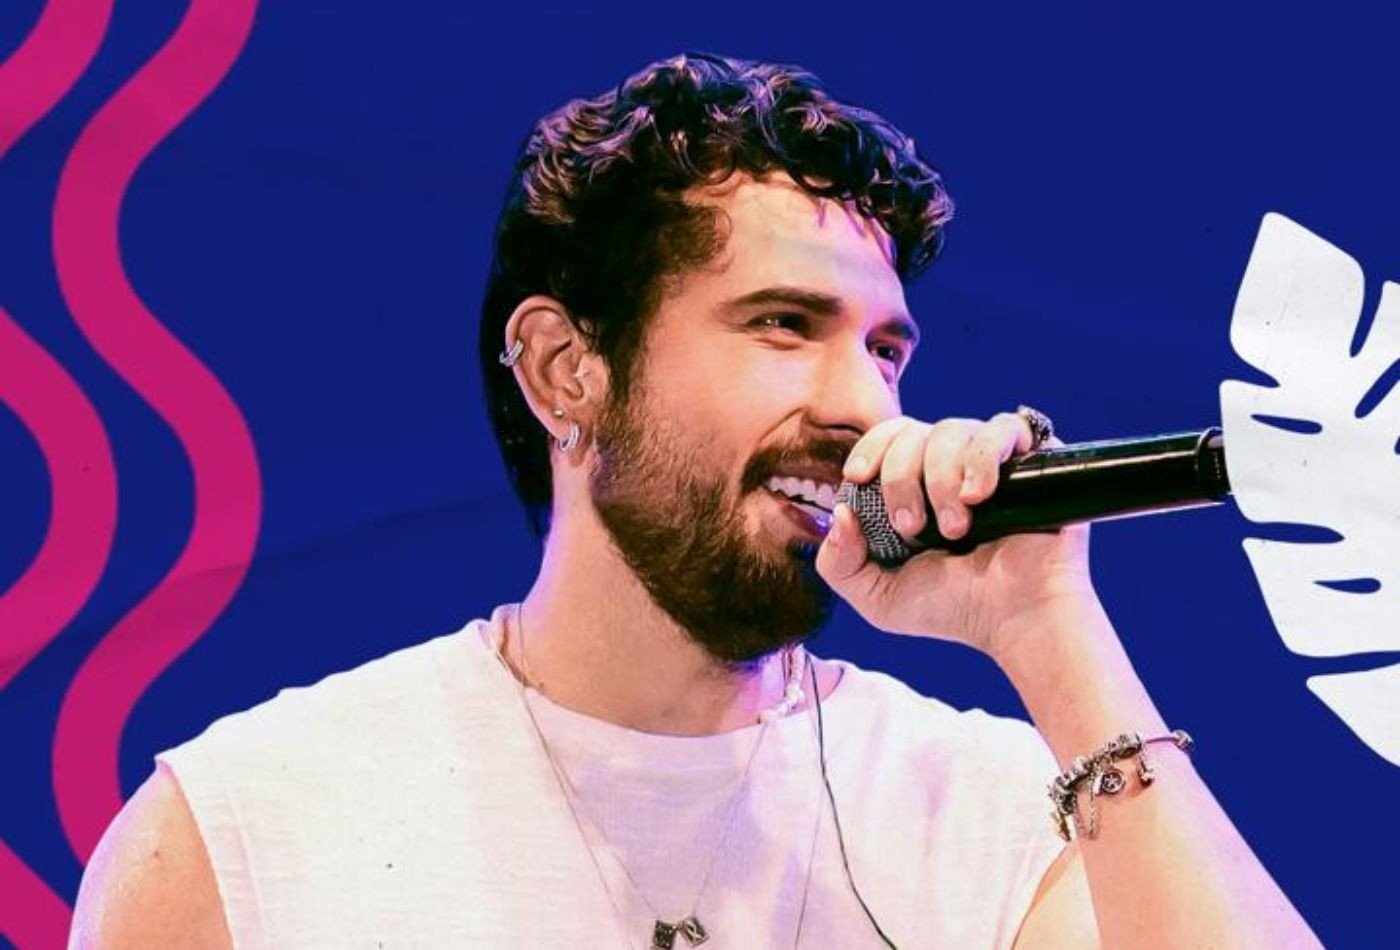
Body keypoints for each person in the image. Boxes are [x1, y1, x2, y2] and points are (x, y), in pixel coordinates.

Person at [70, 53, 1321, 949]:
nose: (863, 405)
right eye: (782, 324)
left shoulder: (994, 809)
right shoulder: (241, 829)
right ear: (566, 369)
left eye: (884, 350)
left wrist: (1048, 630)